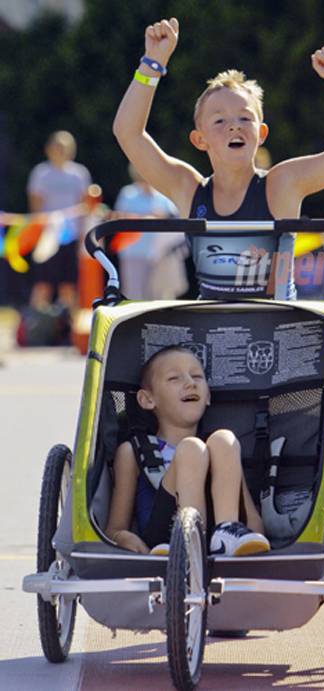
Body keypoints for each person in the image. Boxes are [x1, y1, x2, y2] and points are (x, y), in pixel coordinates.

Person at [112, 17, 324, 300]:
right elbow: (128, 133)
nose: (234, 126)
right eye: (219, 120)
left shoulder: (282, 184)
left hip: (277, 330)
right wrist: (152, 64)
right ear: (199, 140)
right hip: (212, 332)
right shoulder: (188, 188)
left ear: (261, 134)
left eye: (244, 118)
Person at [105, 345, 270, 557]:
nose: (190, 383)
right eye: (174, 378)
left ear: (208, 396)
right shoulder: (132, 450)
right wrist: (122, 536)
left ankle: (226, 532)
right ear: (147, 399)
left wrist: (255, 537)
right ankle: (189, 540)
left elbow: (253, 519)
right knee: (191, 449)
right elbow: (114, 528)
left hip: (216, 539)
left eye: (197, 376)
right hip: (164, 540)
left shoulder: (219, 450)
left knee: (224, 439)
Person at [27, 131, 92, 309]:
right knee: (43, 283)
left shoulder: (79, 174)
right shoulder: (41, 173)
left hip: (70, 236)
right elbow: (35, 206)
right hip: (46, 236)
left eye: (64, 148)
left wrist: (81, 235)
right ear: (48, 149)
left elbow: (84, 205)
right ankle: (36, 326)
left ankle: (68, 329)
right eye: (56, 147)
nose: (60, 151)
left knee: (69, 284)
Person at [113, 163, 186, 300]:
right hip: (133, 253)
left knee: (160, 297)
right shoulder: (127, 194)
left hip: (160, 257)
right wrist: (147, 217)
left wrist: (162, 216)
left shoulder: (163, 196)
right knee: (134, 295)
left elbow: (175, 218)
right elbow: (120, 218)